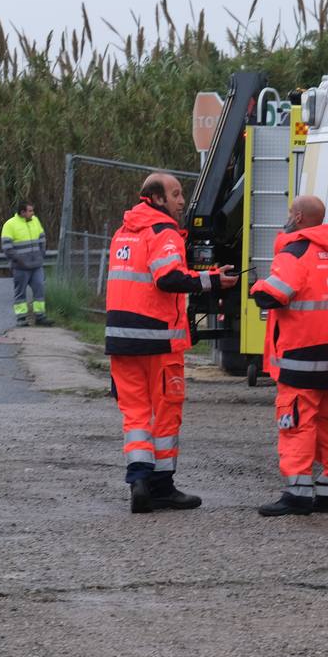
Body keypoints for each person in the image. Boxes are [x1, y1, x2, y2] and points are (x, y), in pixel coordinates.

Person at [105, 173, 237, 513]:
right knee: (165, 415)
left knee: (134, 414)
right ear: (157, 199)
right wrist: (212, 280)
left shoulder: (123, 232)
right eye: (176, 195)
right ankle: (162, 487)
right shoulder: (163, 232)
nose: (182, 201)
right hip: (158, 341)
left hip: (121, 340)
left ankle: (138, 480)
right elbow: (168, 279)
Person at [250, 195, 328, 516]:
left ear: (298, 217)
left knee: (296, 422)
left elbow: (276, 294)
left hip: (299, 358)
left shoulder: (293, 253)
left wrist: (256, 286)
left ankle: (297, 494)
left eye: (288, 213)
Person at [0, 200, 52, 326]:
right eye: (30, 211)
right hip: (20, 267)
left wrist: (41, 254)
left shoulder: (35, 220)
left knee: (39, 289)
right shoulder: (10, 225)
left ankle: (40, 316)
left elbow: (42, 237)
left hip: (36, 265)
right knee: (20, 292)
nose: (32, 213)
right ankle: (21, 318)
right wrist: (20, 260)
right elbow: (7, 247)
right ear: (22, 212)